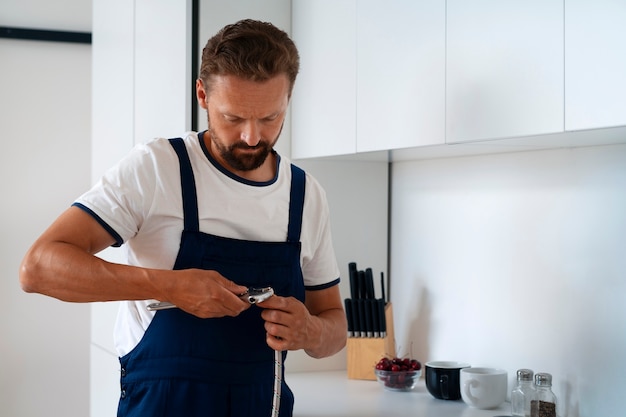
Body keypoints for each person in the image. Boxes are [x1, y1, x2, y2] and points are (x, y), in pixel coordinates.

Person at [19, 19, 347, 417]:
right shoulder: (157, 168)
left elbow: (334, 326)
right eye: (233, 118)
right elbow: (38, 268)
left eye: (269, 118)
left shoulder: (306, 194)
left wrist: (312, 332)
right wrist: (170, 287)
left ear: (289, 98)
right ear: (202, 95)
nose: (251, 137)